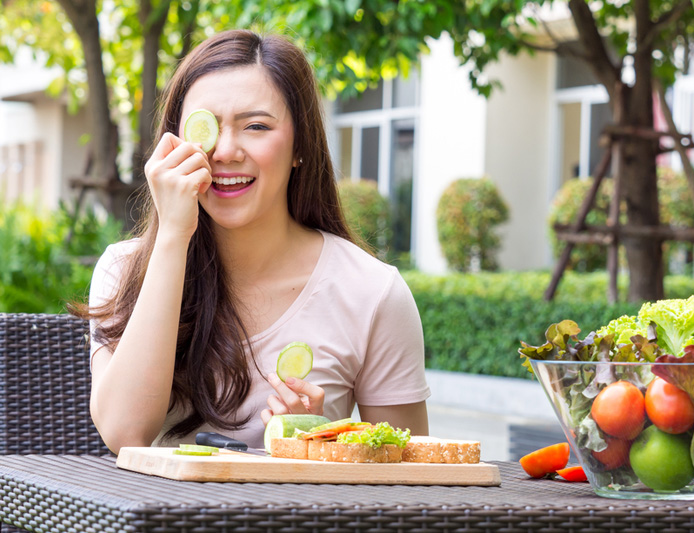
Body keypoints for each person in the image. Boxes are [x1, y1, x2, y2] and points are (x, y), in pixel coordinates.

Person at [72, 30, 430, 454]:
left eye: (256, 125)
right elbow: (125, 435)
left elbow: (411, 473)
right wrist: (172, 236)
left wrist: (320, 443)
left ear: (300, 146)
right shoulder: (124, 269)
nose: (225, 151)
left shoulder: (373, 292)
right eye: (205, 127)